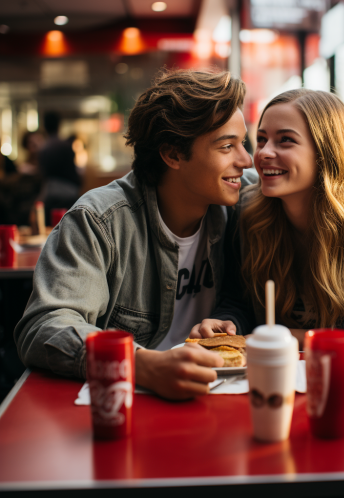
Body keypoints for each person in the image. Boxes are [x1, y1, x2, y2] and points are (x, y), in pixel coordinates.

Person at [14, 69, 254, 400]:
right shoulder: (100, 221)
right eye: (227, 146)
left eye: (243, 143)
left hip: (220, 398)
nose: (247, 159)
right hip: (129, 405)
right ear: (172, 155)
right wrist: (141, 365)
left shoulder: (242, 200)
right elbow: (45, 327)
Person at [193, 89, 344, 349]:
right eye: (261, 139)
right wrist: (225, 324)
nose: (263, 153)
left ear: (326, 151)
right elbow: (239, 302)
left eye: (285, 140)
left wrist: (288, 339)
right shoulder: (245, 209)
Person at [39, 111, 82, 224]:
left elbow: (43, 175)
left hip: (51, 193)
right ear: (59, 125)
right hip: (70, 193)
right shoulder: (66, 146)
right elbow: (74, 173)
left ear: (44, 126)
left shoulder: (44, 149)